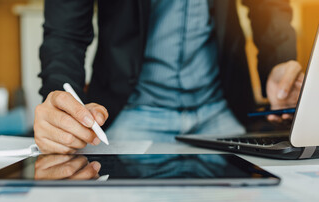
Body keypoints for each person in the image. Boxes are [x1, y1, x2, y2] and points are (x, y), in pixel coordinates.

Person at [34, 0, 303, 154]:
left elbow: (269, 6)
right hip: (131, 112)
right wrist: (59, 98)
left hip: (221, 110)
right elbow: (65, 32)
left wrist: (278, 60)